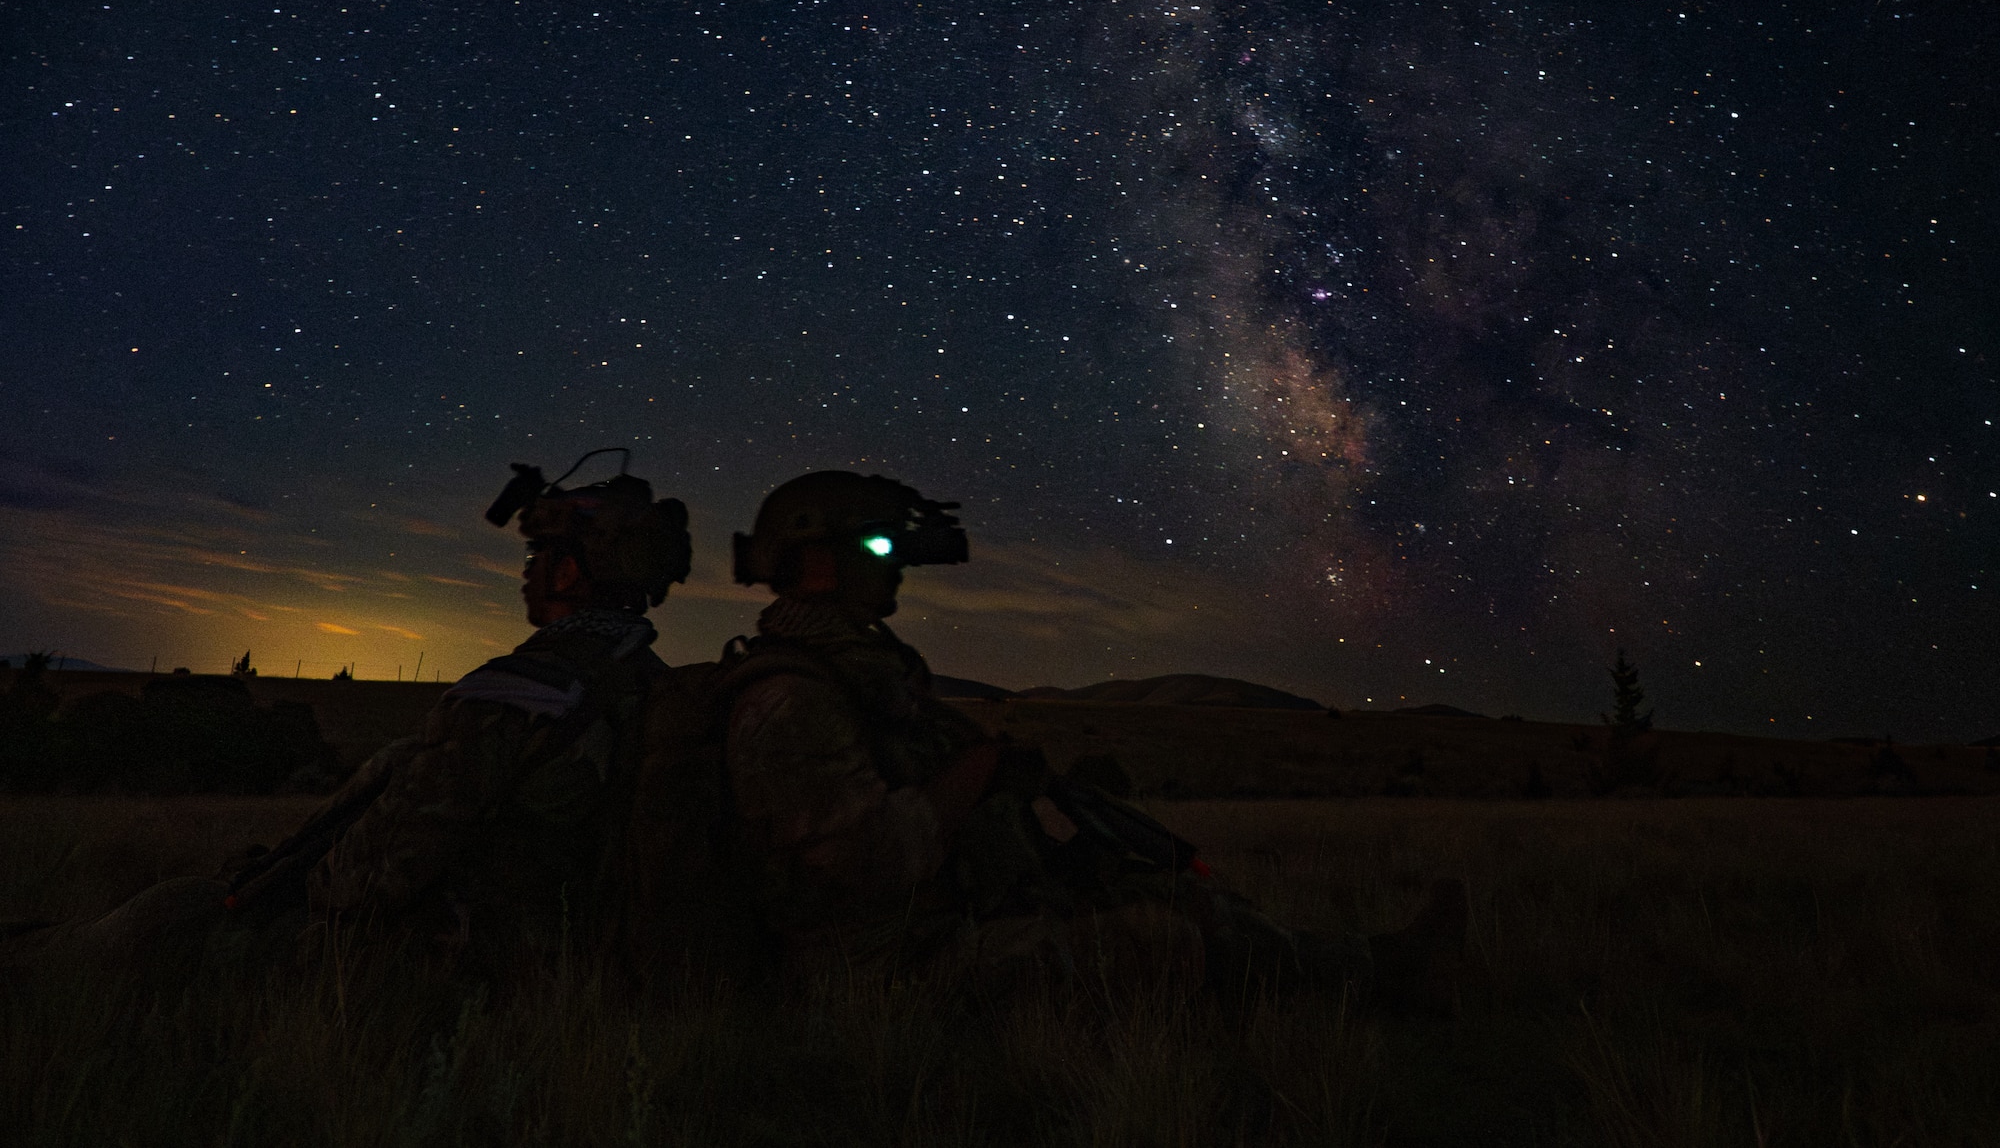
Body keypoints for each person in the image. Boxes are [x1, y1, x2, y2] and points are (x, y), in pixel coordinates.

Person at [689, 470, 1447, 1003]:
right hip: (865, 968)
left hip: (932, 923)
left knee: (1170, 892)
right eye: (877, 550)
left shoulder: (868, 677)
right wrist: (975, 772)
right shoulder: (789, 697)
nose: (894, 572)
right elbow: (871, 861)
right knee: (1160, 944)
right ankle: (1357, 987)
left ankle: (1376, 967)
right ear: (816, 563)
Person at [4, 450, 699, 978]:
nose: (527, 570)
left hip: (466, 963)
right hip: (577, 961)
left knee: (169, 920)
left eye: (540, 553)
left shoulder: (523, 690)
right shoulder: (655, 683)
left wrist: (286, 889)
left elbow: (377, 871)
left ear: (573, 571)